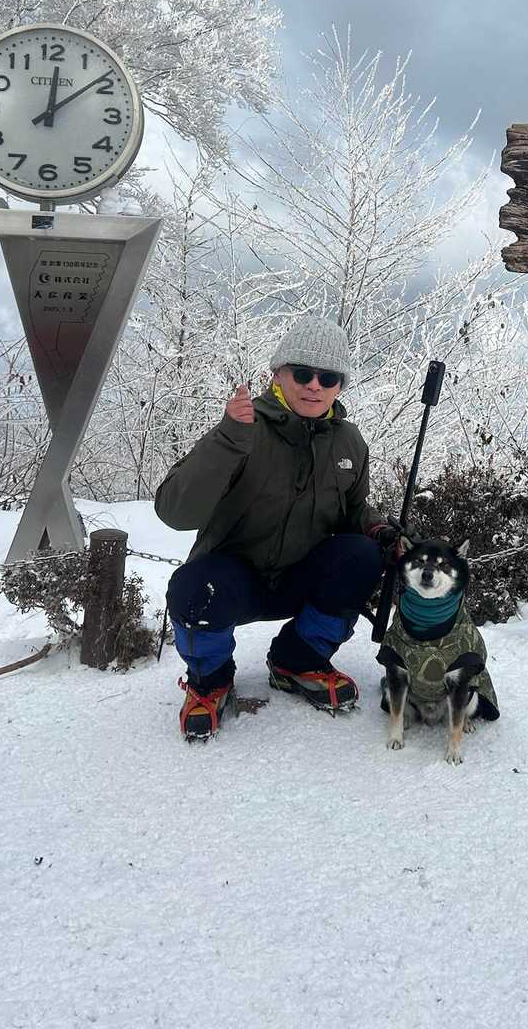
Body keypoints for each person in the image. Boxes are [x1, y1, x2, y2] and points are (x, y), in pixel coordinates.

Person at [155, 316, 400, 740]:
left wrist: (379, 529)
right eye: (302, 373)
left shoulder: (349, 442)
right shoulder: (242, 429)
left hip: (298, 577)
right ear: (278, 375)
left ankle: (297, 660)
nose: (314, 386)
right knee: (195, 587)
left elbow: (355, 511)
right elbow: (175, 511)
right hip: (235, 581)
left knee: (362, 555)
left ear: (340, 386)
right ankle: (209, 681)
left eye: (328, 377)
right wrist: (228, 439)